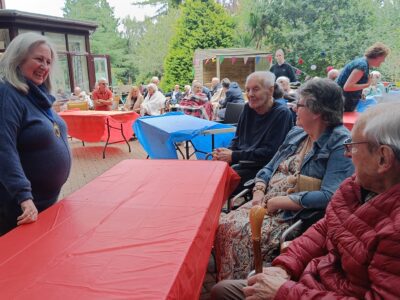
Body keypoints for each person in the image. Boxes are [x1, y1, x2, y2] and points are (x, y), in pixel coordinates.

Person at [211, 103, 400, 300]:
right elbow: (323, 229)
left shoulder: (395, 230)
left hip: (313, 291)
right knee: (222, 290)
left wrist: (285, 292)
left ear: (383, 158)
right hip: (310, 280)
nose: (347, 154)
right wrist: (285, 265)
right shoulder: (354, 187)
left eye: (353, 147)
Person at [214, 78, 354, 281]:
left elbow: (331, 195)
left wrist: (281, 201)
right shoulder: (297, 133)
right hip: (264, 203)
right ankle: (228, 281)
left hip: (292, 216)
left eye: (299, 105)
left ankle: (250, 284)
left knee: (239, 233)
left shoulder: (340, 143)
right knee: (221, 223)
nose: (294, 109)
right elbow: (270, 166)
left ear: (317, 112)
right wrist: (259, 188)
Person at [0, 32, 71, 235]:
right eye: (39, 59)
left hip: (43, 204)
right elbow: (4, 149)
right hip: (19, 210)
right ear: (18, 58)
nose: (45, 67)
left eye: (48, 62)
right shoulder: (7, 93)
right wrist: (24, 197)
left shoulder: (35, 96)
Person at [212, 71, 294, 194]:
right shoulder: (247, 108)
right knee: (209, 171)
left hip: (261, 168)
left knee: (214, 183)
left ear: (270, 90)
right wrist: (226, 154)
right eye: (247, 89)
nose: (250, 94)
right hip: (241, 162)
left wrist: (233, 155)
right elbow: (237, 138)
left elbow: (270, 153)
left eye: (255, 89)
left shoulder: (282, 114)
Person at [336, 42, 390, 112]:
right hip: (341, 102)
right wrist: (367, 84)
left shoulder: (363, 63)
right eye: (383, 58)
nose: (383, 61)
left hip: (343, 101)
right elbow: (347, 87)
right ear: (378, 56)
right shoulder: (362, 65)